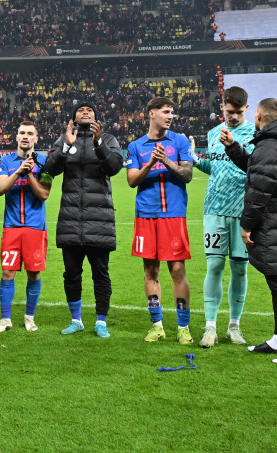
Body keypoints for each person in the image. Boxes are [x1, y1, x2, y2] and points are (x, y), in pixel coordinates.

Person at [225, 99, 277, 364]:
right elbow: (257, 171)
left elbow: (258, 193)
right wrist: (233, 149)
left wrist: (246, 226)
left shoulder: (268, 146)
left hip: (274, 223)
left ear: (259, 115)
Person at [43, 101, 124, 338]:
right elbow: (50, 169)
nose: (86, 112)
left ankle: (101, 321)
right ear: (74, 118)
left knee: (100, 272)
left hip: (99, 219)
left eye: (90, 110)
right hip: (70, 219)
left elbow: (114, 167)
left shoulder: (108, 139)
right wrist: (66, 147)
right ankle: (76, 320)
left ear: (97, 118)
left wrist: (98, 143)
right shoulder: (64, 139)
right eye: (81, 110)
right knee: (71, 273)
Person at [126, 97, 194, 345]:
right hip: (146, 215)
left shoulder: (179, 141)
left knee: (177, 270)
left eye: (172, 112)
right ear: (151, 113)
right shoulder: (136, 146)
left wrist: (166, 161)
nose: (170, 115)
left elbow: (187, 174)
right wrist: (151, 163)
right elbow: (132, 180)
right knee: (151, 270)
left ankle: (183, 327)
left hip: (173, 214)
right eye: (166, 111)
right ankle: (157, 326)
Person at [193, 86, 254, 347]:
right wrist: (195, 159)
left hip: (244, 210)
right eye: (230, 112)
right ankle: (210, 328)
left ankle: (234, 327)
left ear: (246, 110)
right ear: (223, 108)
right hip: (214, 208)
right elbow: (215, 167)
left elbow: (255, 167)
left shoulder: (255, 133)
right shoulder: (212, 133)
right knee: (215, 265)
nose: (234, 117)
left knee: (239, 268)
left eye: (239, 113)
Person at [0, 121, 52, 333]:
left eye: (30, 133)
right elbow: (0, 188)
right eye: (21, 133)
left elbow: (44, 194)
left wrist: (29, 173)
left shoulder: (45, 163)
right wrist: (18, 171)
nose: (25, 136)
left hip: (36, 228)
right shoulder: (6, 162)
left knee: (34, 274)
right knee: (7, 272)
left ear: (36, 138)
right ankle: (5, 319)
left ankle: (29, 317)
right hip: (11, 227)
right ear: (16, 137)